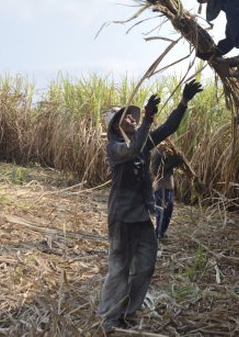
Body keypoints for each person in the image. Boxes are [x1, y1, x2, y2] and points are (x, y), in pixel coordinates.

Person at [97, 80, 203, 333]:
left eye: (134, 119)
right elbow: (133, 150)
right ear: (115, 126)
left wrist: (183, 102)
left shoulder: (143, 142)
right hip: (122, 216)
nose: (132, 121)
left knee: (145, 266)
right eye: (126, 119)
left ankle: (127, 312)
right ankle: (109, 317)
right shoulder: (114, 148)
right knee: (119, 268)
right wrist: (146, 119)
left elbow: (168, 127)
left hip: (142, 216)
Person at [150, 143, 183, 240]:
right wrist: (175, 161)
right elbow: (156, 171)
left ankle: (161, 232)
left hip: (168, 187)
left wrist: (176, 160)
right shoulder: (158, 152)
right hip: (162, 186)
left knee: (168, 212)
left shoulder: (165, 151)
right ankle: (158, 234)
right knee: (162, 211)